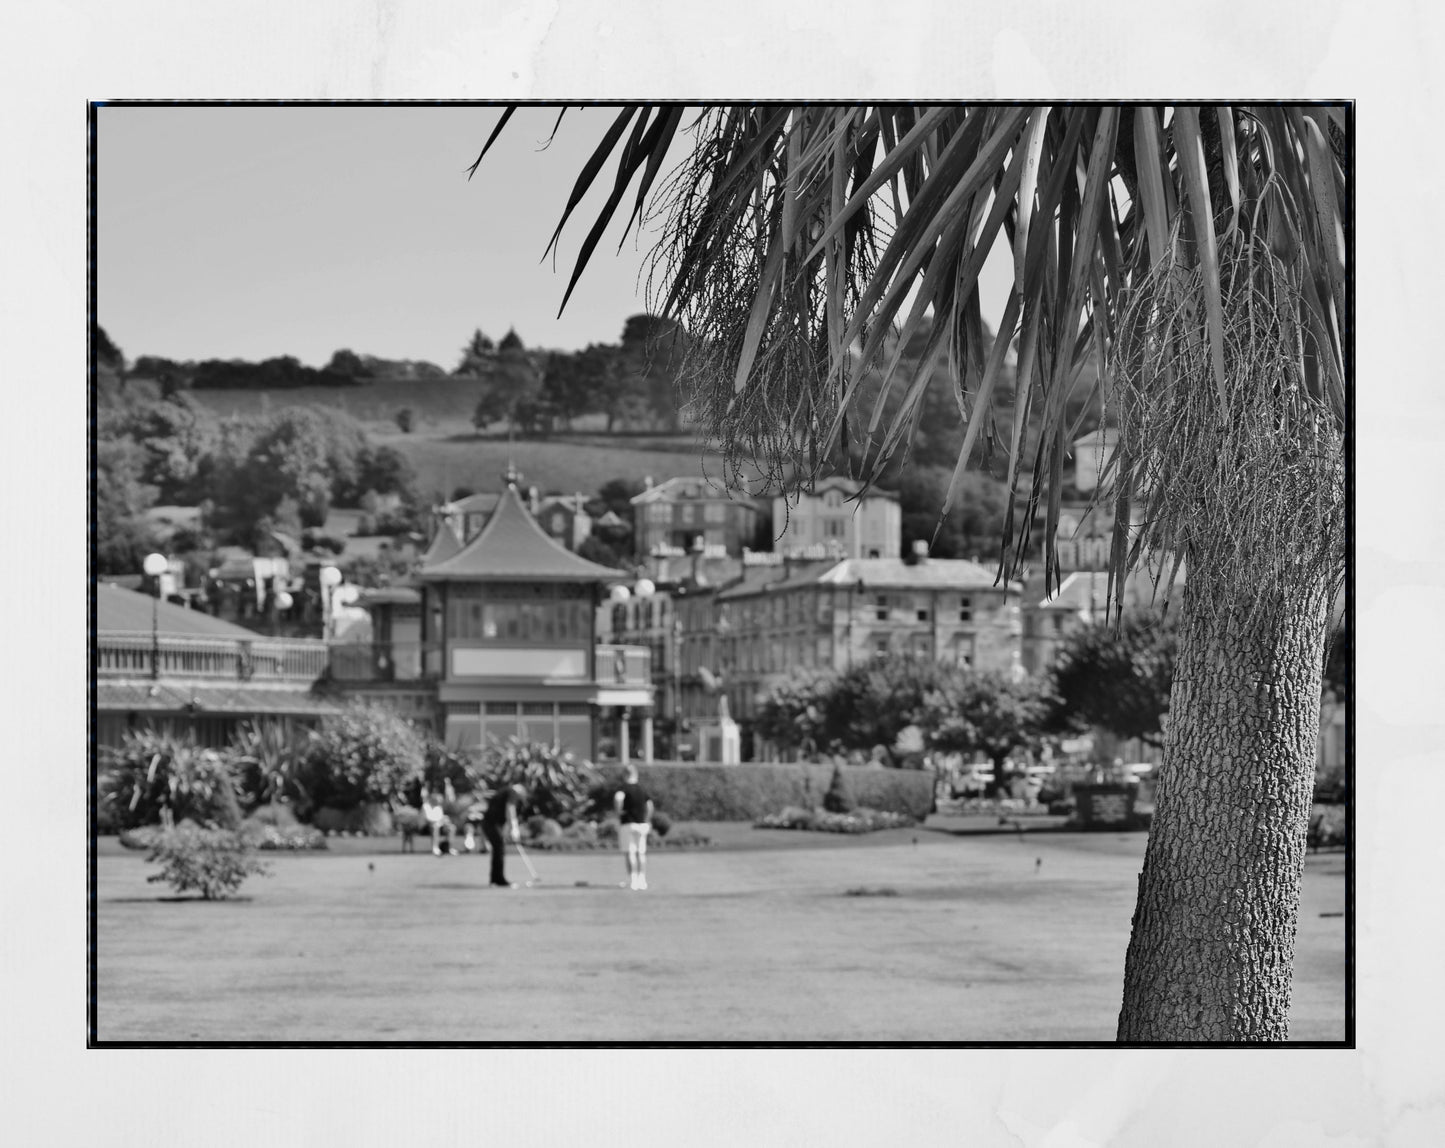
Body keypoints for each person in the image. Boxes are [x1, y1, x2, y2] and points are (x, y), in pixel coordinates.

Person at [613, 764, 654, 891]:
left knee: (630, 852)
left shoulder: (623, 788)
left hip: (628, 823)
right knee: (641, 853)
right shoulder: (642, 789)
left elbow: (618, 799)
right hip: (641, 824)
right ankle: (642, 880)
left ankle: (633, 880)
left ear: (625, 775)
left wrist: (619, 812)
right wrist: (646, 820)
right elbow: (650, 805)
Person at [481, 783, 526, 887]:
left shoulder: (504, 791)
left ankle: (495, 879)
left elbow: (502, 813)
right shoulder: (512, 792)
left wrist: (508, 829)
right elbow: (510, 808)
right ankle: (499, 880)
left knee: (498, 849)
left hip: (490, 823)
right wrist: (514, 827)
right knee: (499, 848)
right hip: (491, 824)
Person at [421, 787, 452, 856]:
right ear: (432, 799)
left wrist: (444, 821)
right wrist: (437, 822)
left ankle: (448, 848)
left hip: (438, 825)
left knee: (451, 828)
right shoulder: (425, 806)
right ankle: (435, 848)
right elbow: (427, 819)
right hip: (426, 827)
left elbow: (441, 817)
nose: (439, 801)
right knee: (435, 827)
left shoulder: (439, 807)